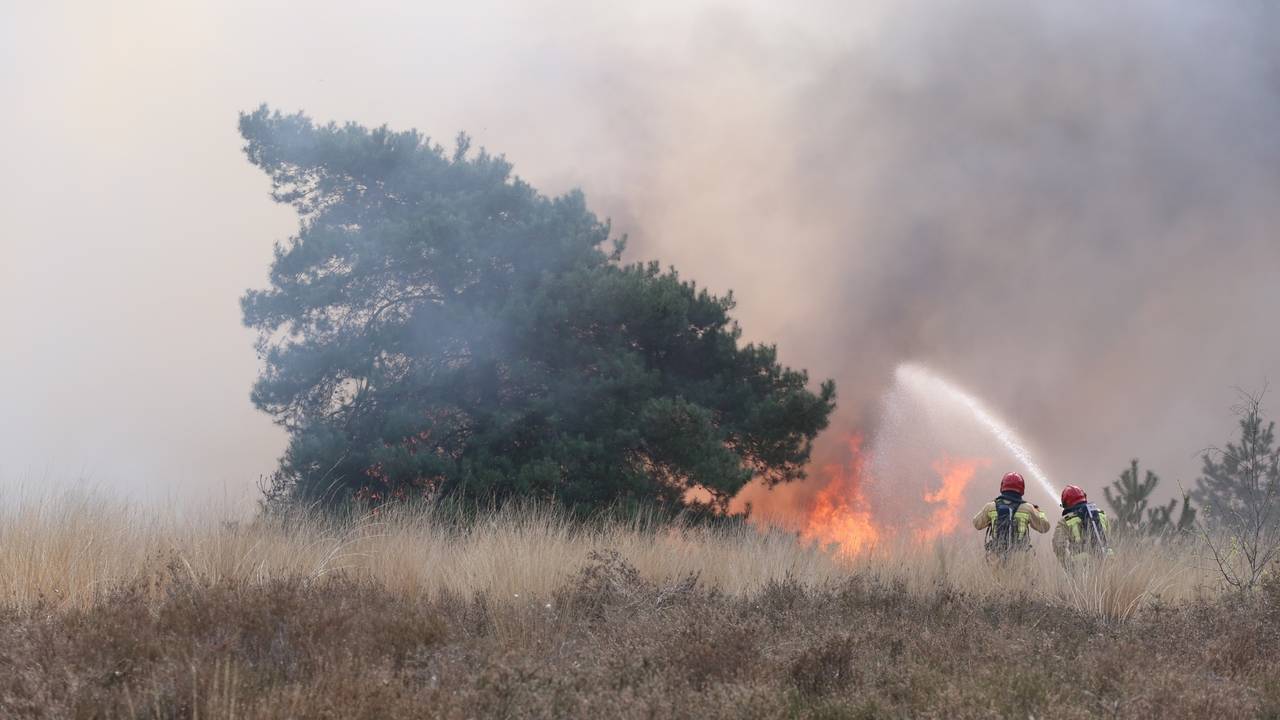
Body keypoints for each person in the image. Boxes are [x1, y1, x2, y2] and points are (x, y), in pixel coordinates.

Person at [972, 472, 1050, 557]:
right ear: (1022, 488)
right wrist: (1040, 512)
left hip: (996, 557)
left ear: (1003, 486)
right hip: (1020, 558)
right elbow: (1045, 527)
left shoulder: (991, 506)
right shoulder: (1028, 508)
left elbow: (976, 523)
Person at [1052, 485, 1112, 567]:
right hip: (1107, 560)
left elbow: (1058, 545)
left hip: (1082, 565)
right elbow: (1108, 537)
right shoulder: (1102, 514)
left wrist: (1069, 563)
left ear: (1066, 503)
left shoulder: (1065, 521)